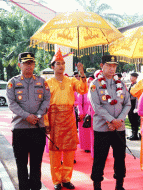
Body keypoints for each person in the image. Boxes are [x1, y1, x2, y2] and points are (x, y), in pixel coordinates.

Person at [44, 48, 88, 190]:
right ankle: (56, 180)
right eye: (58, 63)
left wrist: (81, 72)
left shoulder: (71, 81)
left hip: (69, 117)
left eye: (63, 63)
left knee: (69, 151)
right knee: (55, 152)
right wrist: (46, 123)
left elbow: (83, 90)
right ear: (52, 66)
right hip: (54, 118)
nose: (61, 66)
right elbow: (44, 105)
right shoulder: (48, 82)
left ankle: (66, 179)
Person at [6, 52, 51, 190]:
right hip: (20, 129)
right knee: (21, 164)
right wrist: (27, 116)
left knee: (36, 164)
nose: (29, 66)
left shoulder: (42, 82)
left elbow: (47, 100)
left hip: (38, 128)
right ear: (20, 65)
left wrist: (37, 115)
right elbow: (11, 103)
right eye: (25, 63)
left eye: (31, 63)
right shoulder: (13, 82)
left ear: (34, 64)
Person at [88, 55, 131, 190]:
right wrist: (111, 120)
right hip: (102, 128)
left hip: (119, 127)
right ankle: (97, 185)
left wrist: (119, 120)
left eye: (114, 66)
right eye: (109, 65)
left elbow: (127, 104)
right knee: (100, 158)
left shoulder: (121, 84)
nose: (112, 69)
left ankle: (119, 185)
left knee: (120, 157)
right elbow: (96, 106)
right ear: (102, 66)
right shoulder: (95, 84)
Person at [127, 72, 141, 140]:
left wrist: (136, 107)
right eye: (130, 77)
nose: (130, 78)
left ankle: (135, 134)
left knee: (135, 119)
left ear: (135, 78)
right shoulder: (131, 84)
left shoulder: (137, 85)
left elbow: (137, 97)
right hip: (130, 103)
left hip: (134, 103)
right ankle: (133, 133)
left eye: (132, 77)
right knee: (131, 119)